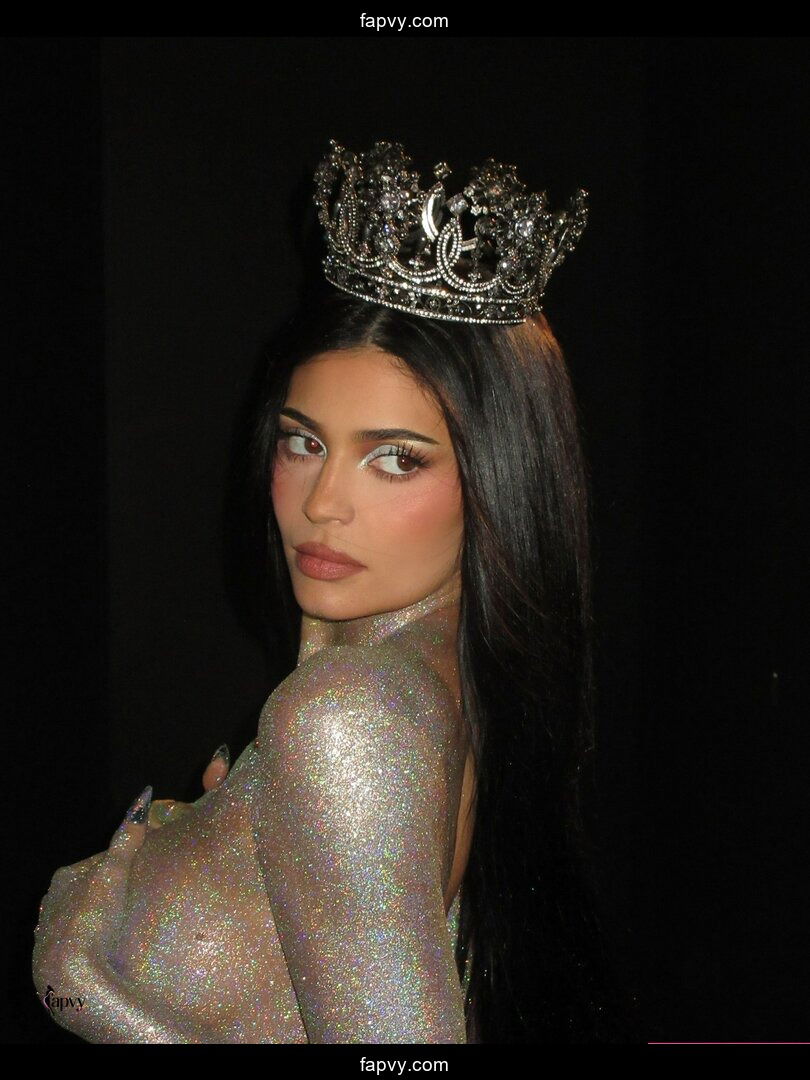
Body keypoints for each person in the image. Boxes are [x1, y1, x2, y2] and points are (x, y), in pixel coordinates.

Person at [31, 138, 640, 1043]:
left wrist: (86, 984)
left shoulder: (347, 719)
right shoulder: (433, 681)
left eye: (395, 459)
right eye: (303, 442)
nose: (322, 503)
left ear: (499, 482)